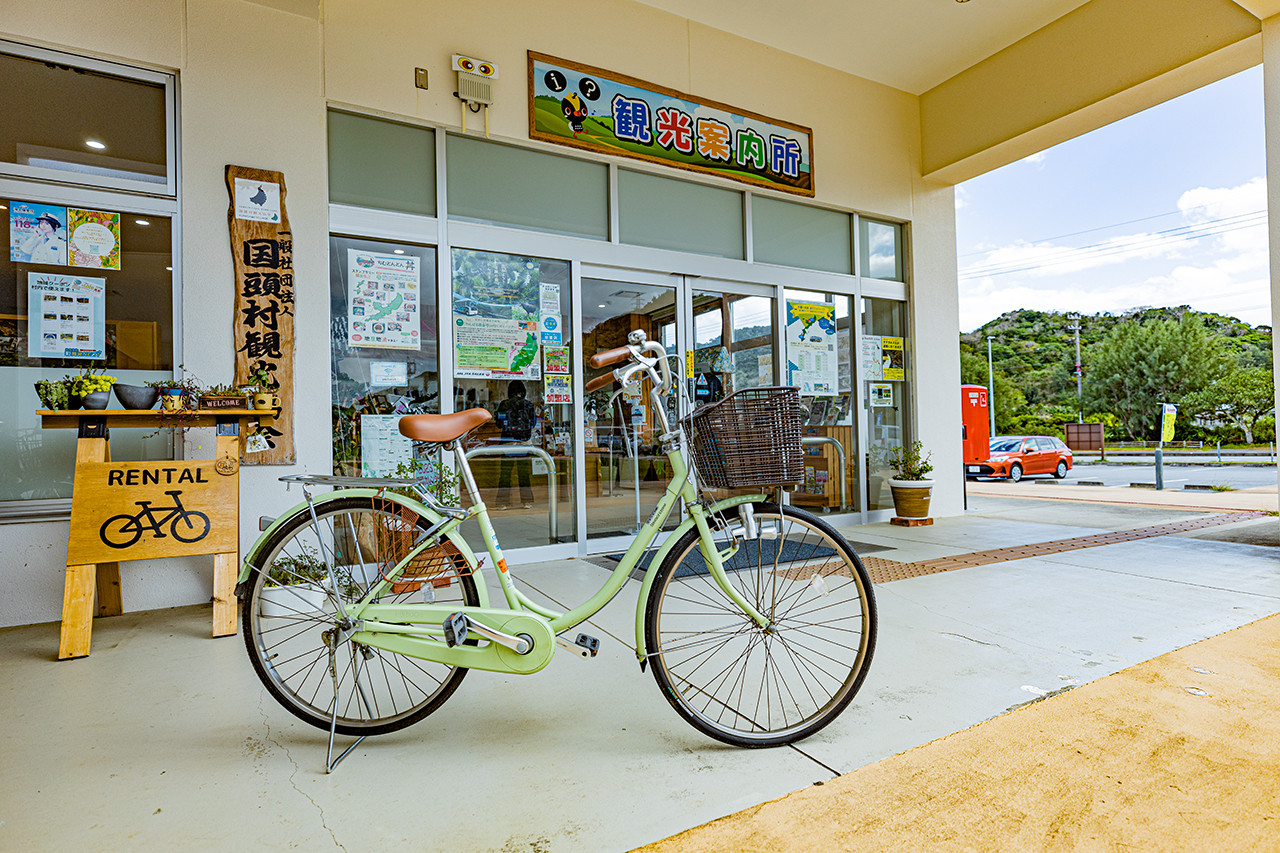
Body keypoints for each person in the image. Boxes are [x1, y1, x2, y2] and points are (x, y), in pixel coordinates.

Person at [495, 379, 536, 509]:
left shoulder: (504, 404)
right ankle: (527, 501)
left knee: (505, 473)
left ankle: (502, 502)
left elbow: (499, 423)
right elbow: (533, 423)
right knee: (523, 472)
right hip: (524, 442)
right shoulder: (528, 405)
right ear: (523, 391)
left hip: (507, 441)